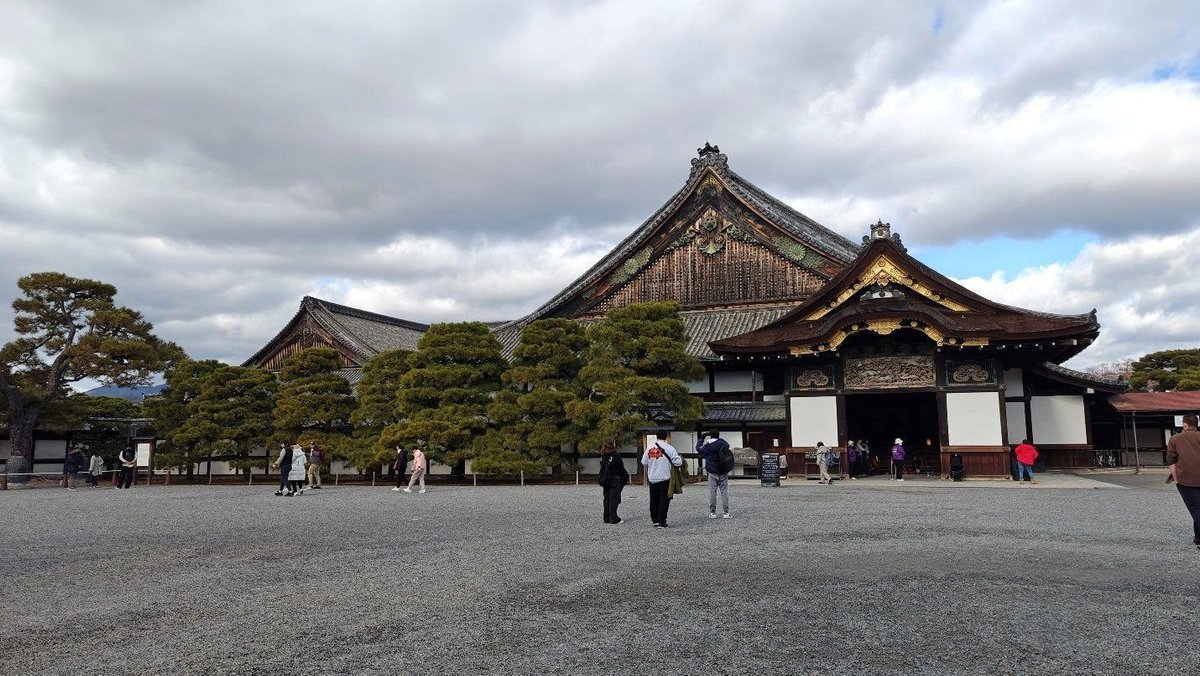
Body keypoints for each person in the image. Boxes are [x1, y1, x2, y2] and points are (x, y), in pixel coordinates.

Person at [1166, 413, 1200, 550]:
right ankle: (1198, 537)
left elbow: (1171, 460)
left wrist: (1175, 477)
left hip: (1186, 480)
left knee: (1195, 508)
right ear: (1196, 424)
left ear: (1184, 425)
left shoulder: (1175, 439)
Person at [642, 431, 682, 528]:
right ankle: (662, 521)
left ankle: (655, 519)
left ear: (656, 437)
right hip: (665, 477)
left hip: (652, 478)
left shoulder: (649, 448)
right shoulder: (669, 448)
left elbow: (644, 462)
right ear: (666, 437)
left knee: (654, 499)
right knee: (664, 500)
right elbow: (678, 462)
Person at [695, 430, 732, 519]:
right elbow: (727, 445)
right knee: (724, 492)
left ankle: (713, 512)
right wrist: (718, 438)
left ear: (710, 436)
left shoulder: (707, 446)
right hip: (723, 470)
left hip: (712, 472)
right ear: (718, 435)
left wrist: (702, 438)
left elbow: (698, 448)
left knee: (712, 492)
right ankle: (726, 512)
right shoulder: (722, 444)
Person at [598, 440, 629, 524]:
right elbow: (621, 468)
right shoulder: (616, 456)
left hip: (606, 480)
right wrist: (625, 477)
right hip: (615, 479)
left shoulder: (604, 456)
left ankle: (606, 517)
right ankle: (614, 518)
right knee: (614, 499)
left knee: (607, 498)